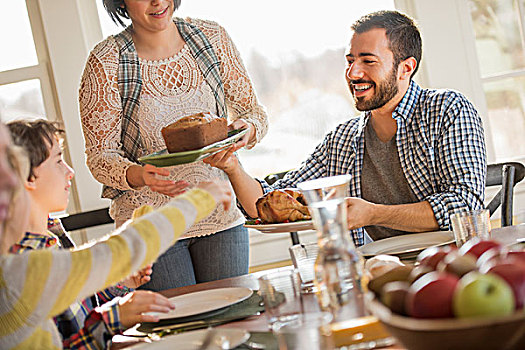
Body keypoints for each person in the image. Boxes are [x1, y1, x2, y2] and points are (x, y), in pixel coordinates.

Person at [205, 10, 487, 247]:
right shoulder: (342, 139)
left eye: (368, 61)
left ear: (406, 68)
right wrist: (232, 166)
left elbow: (465, 205)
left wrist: (374, 214)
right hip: (375, 275)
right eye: (350, 60)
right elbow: (266, 205)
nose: (353, 74)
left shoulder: (448, 110)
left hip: (451, 264)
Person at [79, 0, 268, 291]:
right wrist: (141, 175)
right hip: (152, 223)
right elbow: (100, 157)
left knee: (232, 324)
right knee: (184, 330)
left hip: (220, 216)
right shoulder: (107, 60)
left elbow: (252, 112)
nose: (157, 1)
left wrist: (248, 128)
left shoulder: (211, 37)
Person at [0, 119, 233, 349]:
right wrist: (201, 199)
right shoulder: (17, 268)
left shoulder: (50, 236)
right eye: (58, 161)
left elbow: (74, 315)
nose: (70, 172)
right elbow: (124, 248)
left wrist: (119, 288)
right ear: (26, 176)